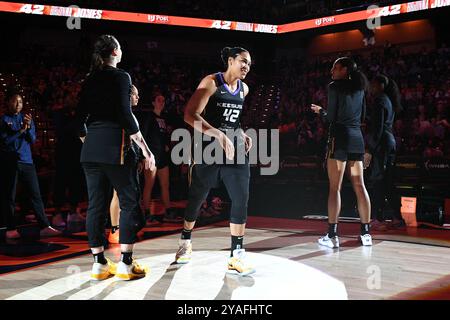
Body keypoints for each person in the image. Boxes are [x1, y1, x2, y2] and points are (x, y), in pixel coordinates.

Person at [76, 35, 155, 281]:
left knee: (96, 205)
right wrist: (146, 149)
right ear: (114, 51)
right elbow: (125, 114)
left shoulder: (89, 79)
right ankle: (126, 264)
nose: (122, 50)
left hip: (90, 150)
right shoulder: (121, 77)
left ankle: (99, 264)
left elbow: (78, 120)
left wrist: (91, 144)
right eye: (120, 47)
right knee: (129, 202)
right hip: (115, 146)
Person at [174, 47, 255, 276]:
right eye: (243, 61)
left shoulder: (244, 89)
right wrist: (218, 134)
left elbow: (234, 121)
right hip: (208, 148)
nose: (246, 66)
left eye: (249, 63)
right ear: (230, 60)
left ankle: (236, 254)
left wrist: (241, 133)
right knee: (197, 198)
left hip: (234, 148)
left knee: (241, 196)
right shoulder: (211, 82)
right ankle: (185, 241)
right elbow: (189, 115)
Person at [311, 57, 372, 248]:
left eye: (335, 68)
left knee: (334, 188)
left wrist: (320, 111)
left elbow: (331, 118)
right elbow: (362, 117)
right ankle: (366, 234)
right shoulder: (360, 88)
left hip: (339, 139)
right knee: (360, 186)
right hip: (357, 138)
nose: (332, 71)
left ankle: (332, 236)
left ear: (345, 70)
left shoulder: (334, 87)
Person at [0, 90, 61, 239]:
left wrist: (27, 127)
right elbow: (5, 141)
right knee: (10, 196)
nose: (18, 104)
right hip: (10, 162)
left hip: (27, 161)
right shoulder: (3, 119)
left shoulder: (26, 118)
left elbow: (32, 139)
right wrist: (21, 130)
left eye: (20, 102)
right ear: (8, 102)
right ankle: (11, 228)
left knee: (36, 194)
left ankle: (44, 226)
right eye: (15, 101)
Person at [364, 74, 405, 230]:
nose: (371, 88)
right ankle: (396, 217)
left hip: (382, 144)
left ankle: (379, 218)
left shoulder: (380, 100)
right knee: (387, 181)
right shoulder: (387, 100)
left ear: (381, 85)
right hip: (388, 142)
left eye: (373, 85)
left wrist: (369, 149)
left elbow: (378, 128)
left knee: (378, 180)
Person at [108, 84, 143, 244]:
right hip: (120, 158)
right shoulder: (120, 113)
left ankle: (124, 226)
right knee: (117, 193)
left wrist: (139, 158)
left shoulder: (129, 114)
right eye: (135, 95)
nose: (137, 98)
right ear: (128, 96)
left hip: (131, 158)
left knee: (126, 194)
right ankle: (115, 228)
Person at [141, 93, 180, 223]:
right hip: (151, 156)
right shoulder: (149, 117)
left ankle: (168, 211)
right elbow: (143, 137)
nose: (161, 102)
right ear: (153, 102)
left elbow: (163, 136)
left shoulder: (164, 118)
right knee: (149, 185)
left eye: (163, 100)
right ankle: (146, 213)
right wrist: (143, 156)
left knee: (165, 184)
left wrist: (167, 145)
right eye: (159, 100)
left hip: (162, 156)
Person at [52, 101, 85, 227]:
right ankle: (57, 213)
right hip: (63, 152)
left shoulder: (80, 112)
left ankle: (73, 212)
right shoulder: (60, 113)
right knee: (60, 182)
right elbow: (62, 129)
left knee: (76, 182)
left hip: (77, 152)